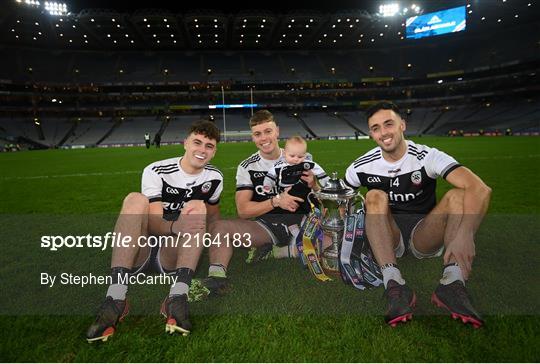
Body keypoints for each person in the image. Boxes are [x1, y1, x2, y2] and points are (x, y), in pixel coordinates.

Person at [344, 101, 491, 328]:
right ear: (371, 134)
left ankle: (452, 284)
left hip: (424, 233)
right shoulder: (361, 166)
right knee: (373, 196)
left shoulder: (427, 156)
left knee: (457, 196)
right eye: (375, 128)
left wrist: (465, 235)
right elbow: (341, 198)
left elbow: (479, 188)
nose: (383, 132)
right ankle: (394, 284)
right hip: (389, 236)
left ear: (402, 125)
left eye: (388, 124)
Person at [86, 120, 228, 342]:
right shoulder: (157, 170)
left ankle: (177, 296)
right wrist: (176, 226)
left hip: (171, 255)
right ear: (185, 143)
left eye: (208, 146)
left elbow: (214, 217)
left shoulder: (215, 177)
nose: (202, 150)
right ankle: (116, 298)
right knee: (135, 199)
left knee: (198, 207)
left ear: (215, 151)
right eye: (197, 142)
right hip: (141, 251)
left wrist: (215, 248)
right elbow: (153, 223)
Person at [209, 110, 326, 264]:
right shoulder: (247, 167)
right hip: (268, 227)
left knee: (334, 240)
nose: (263, 138)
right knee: (219, 228)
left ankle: (278, 252)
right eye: (257, 134)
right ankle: (216, 276)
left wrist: (315, 185)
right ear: (253, 137)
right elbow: (243, 211)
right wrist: (276, 201)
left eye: (268, 131)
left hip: (304, 221)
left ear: (277, 131)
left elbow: (324, 197)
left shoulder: (300, 157)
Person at [262, 135, 329, 215]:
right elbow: (271, 175)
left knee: (311, 205)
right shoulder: (280, 165)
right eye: (292, 156)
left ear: (305, 155)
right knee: (288, 209)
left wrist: (327, 183)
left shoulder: (306, 163)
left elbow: (319, 172)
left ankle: (313, 216)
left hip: (305, 190)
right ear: (284, 153)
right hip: (287, 191)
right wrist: (267, 185)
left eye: (300, 156)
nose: (296, 159)